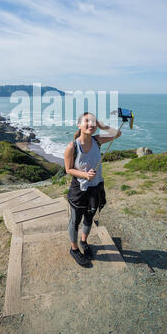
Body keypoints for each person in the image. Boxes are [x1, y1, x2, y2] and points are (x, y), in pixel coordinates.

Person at [64, 112, 122, 267]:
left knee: (89, 217)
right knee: (75, 221)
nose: (91, 124)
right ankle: (74, 249)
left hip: (95, 188)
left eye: (94, 122)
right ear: (79, 125)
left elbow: (118, 134)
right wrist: (84, 175)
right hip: (79, 191)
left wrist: (103, 126)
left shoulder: (98, 140)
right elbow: (68, 169)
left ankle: (83, 242)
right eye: (87, 121)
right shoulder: (72, 147)